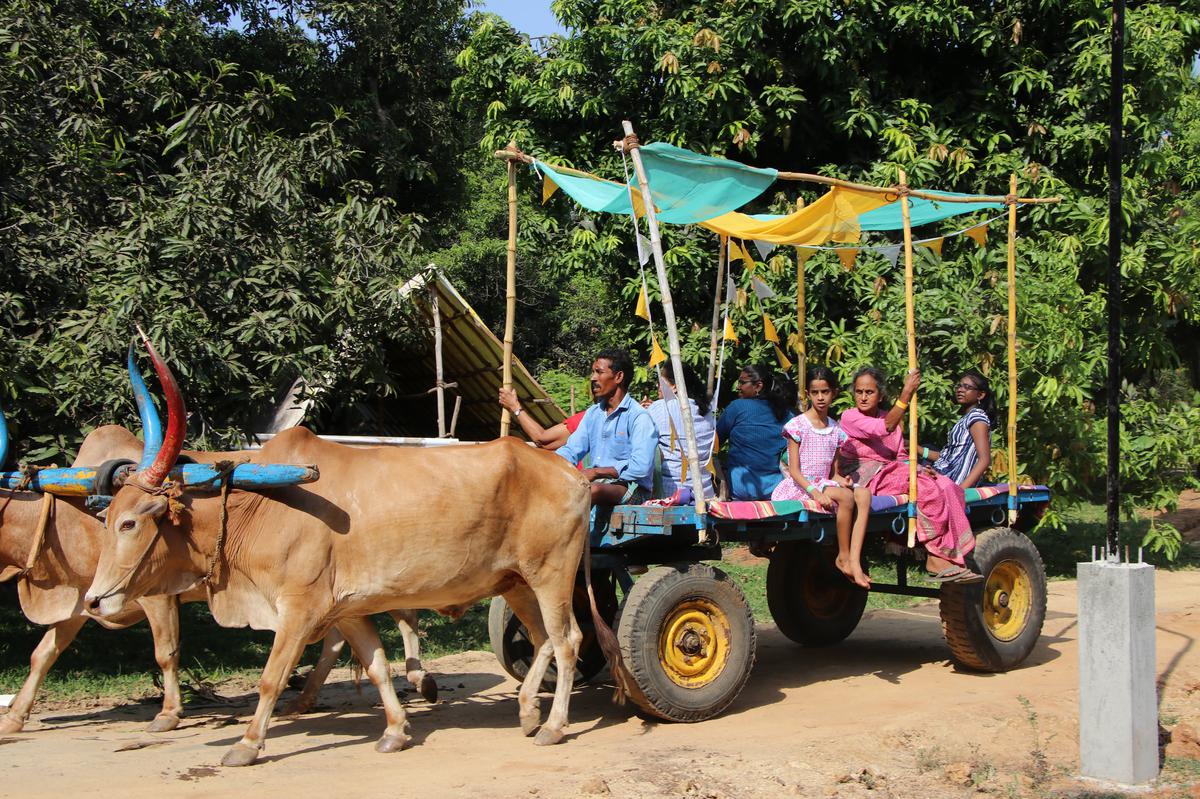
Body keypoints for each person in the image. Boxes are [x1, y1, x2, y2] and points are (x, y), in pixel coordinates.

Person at [838, 366, 982, 584]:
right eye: (859, 392)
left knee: (945, 484)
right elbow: (884, 427)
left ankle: (951, 555)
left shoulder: (892, 417)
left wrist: (920, 469)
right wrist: (906, 393)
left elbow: (901, 455)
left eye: (869, 392)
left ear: (880, 395)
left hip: (894, 471)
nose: (863, 397)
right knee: (925, 488)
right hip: (869, 476)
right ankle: (934, 556)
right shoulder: (850, 416)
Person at [771, 366, 873, 588]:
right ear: (808, 394)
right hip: (802, 485)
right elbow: (795, 471)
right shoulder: (797, 426)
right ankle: (843, 556)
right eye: (815, 392)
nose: (820, 397)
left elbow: (833, 472)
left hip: (823, 483)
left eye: (825, 392)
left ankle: (854, 558)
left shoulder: (835, 429)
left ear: (833, 393)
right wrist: (814, 492)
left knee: (863, 493)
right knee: (846, 498)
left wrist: (841, 480)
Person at [556, 349, 658, 505]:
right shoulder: (593, 413)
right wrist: (549, 463)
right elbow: (572, 449)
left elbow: (641, 466)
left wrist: (597, 472)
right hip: (597, 483)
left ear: (618, 377)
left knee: (593, 490)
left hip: (631, 487)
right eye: (593, 372)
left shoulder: (639, 417)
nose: (593, 378)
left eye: (599, 372)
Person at [715, 364, 795, 500]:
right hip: (777, 489)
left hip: (741, 488)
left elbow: (714, 444)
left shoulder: (737, 407)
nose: (738, 387)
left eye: (742, 382)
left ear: (758, 386)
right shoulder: (787, 413)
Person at [645, 362, 716, 500]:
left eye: (661, 382)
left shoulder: (659, 408)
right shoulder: (707, 411)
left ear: (675, 386)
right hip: (705, 493)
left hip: (671, 494)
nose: (658, 387)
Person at [925, 369, 994, 488]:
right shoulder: (966, 418)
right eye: (959, 386)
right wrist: (914, 447)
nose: (960, 390)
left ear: (980, 395)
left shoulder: (976, 418)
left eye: (967, 387)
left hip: (953, 481)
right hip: (943, 474)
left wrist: (960, 491)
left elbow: (984, 460)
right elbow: (948, 456)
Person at [498, 387, 586, 452]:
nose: (593, 378)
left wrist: (515, 406)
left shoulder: (587, 418)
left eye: (599, 372)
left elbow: (543, 440)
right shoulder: (592, 417)